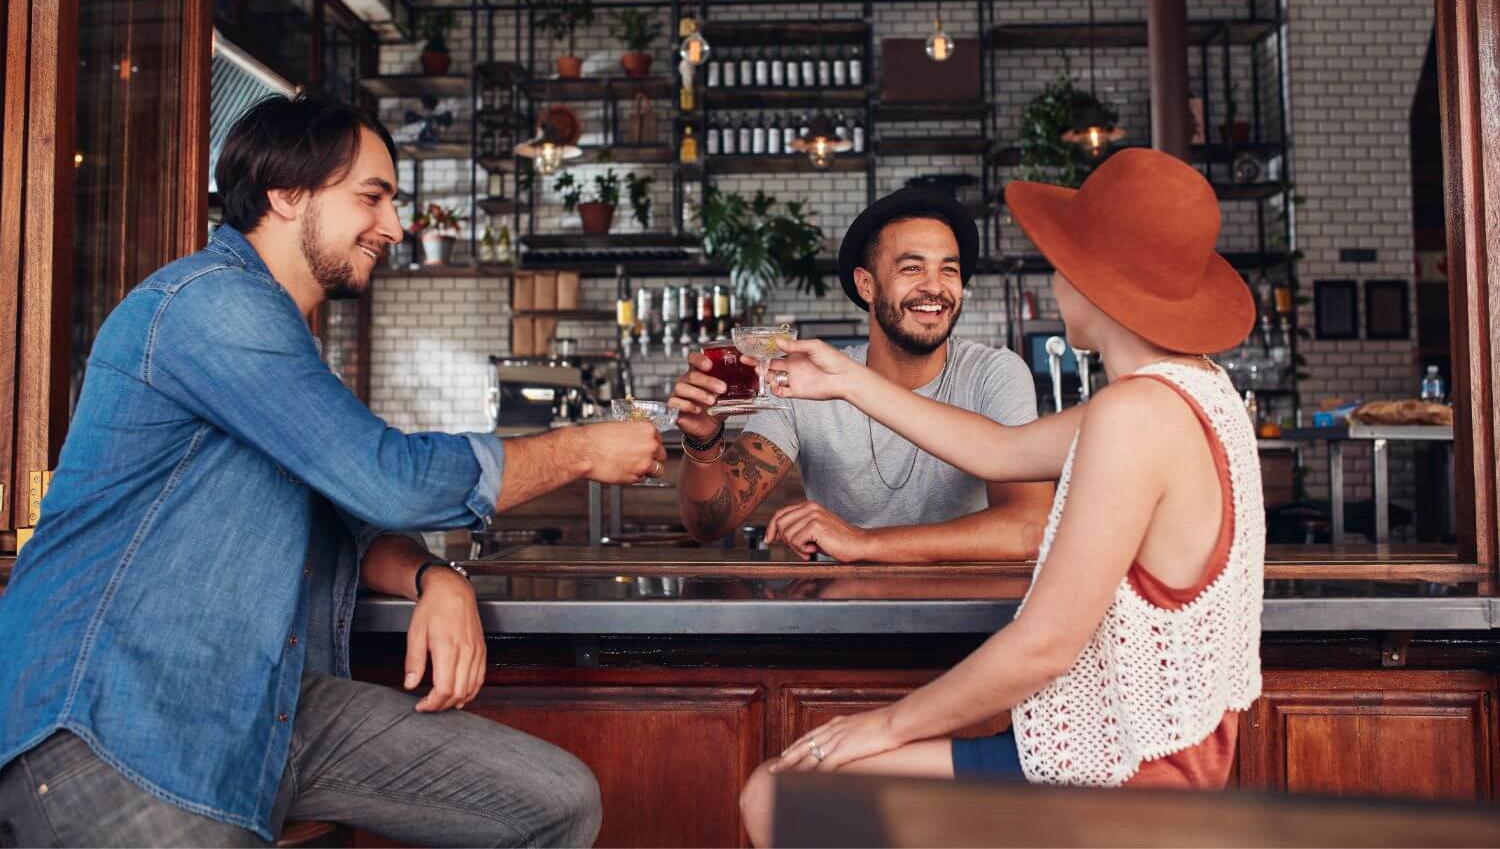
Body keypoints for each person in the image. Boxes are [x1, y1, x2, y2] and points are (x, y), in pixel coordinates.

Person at [0, 94, 664, 846]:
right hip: (119, 720)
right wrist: (582, 448)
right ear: (286, 194)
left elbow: (347, 516)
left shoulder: (277, 332)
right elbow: (390, 479)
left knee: (552, 800)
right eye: (372, 198)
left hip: (261, 705)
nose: (394, 226)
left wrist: (431, 578)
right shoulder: (210, 307)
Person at [739, 148, 1266, 846]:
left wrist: (879, 725)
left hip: (1115, 778)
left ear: (1090, 281)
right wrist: (841, 377)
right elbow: (999, 449)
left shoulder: (1132, 416)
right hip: (1156, 761)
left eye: (1060, 260)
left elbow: (1045, 645)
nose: (1054, 280)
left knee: (780, 795)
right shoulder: (1197, 394)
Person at [669, 189, 1053, 562]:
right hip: (841, 616)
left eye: (948, 270)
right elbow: (710, 523)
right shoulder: (809, 381)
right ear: (866, 285)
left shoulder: (993, 373)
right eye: (912, 267)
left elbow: (1029, 528)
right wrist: (703, 443)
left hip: (966, 616)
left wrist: (864, 543)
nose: (935, 286)